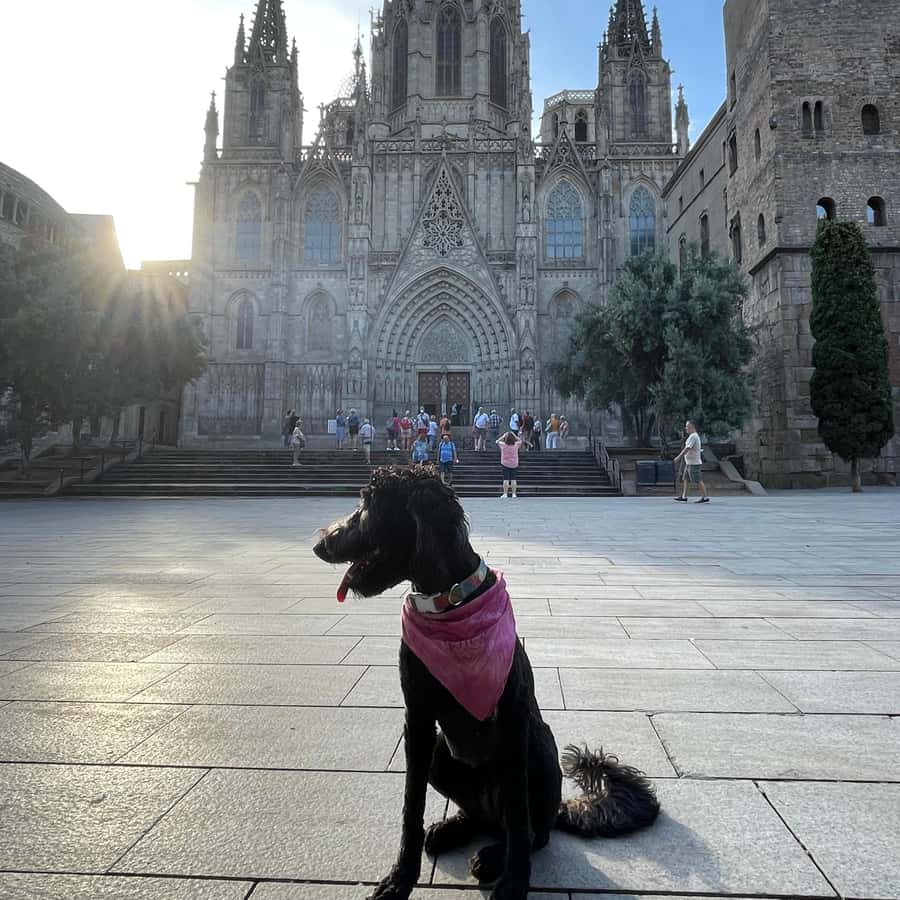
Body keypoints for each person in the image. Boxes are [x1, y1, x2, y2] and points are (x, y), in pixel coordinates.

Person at [673, 419, 709, 503]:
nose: (686, 428)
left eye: (687, 426)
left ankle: (705, 497)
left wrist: (678, 457)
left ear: (692, 426)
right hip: (689, 463)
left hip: (694, 464)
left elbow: (687, 448)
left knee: (698, 480)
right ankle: (684, 496)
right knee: (686, 479)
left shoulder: (693, 436)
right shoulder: (692, 436)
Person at [497, 431, 522, 499]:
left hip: (505, 464)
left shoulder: (503, 445)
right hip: (514, 464)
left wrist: (503, 436)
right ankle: (514, 494)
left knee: (506, 479)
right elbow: (520, 440)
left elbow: (497, 441)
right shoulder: (516, 445)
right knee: (513, 479)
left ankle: (505, 493)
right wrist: (514, 435)